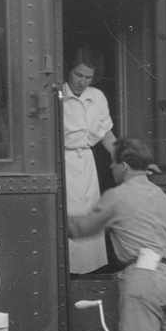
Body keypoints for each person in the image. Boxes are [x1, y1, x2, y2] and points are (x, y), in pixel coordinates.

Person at [67, 137, 166, 331]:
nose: (110, 167)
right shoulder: (162, 196)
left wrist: (51, 213)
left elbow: (81, 228)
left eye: (113, 162)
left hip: (141, 281)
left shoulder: (117, 196)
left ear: (124, 166)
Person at [62, 47, 117, 275]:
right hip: (63, 164)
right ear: (68, 71)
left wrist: (128, 162)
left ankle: (87, 277)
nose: (82, 82)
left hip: (86, 165)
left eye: (88, 77)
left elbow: (107, 135)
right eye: (78, 75)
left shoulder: (98, 97)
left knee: (89, 223)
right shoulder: (58, 95)